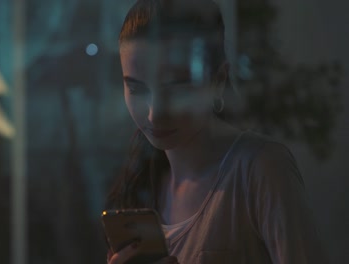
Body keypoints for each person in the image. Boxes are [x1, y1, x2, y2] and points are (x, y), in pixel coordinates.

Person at [104, 0, 326, 263]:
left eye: (177, 88)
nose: (155, 114)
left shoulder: (260, 169)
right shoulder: (141, 185)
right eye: (138, 90)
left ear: (218, 80)